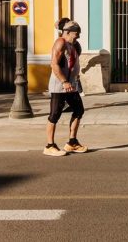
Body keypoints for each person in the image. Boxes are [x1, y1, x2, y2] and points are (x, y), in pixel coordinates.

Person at [44, 20, 87, 156]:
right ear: (67, 32)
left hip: (71, 85)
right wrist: (64, 81)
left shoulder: (72, 45)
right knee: (54, 114)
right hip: (60, 86)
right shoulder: (60, 42)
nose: (78, 36)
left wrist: (74, 78)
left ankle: (72, 142)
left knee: (79, 110)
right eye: (76, 33)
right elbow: (54, 64)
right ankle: (49, 146)